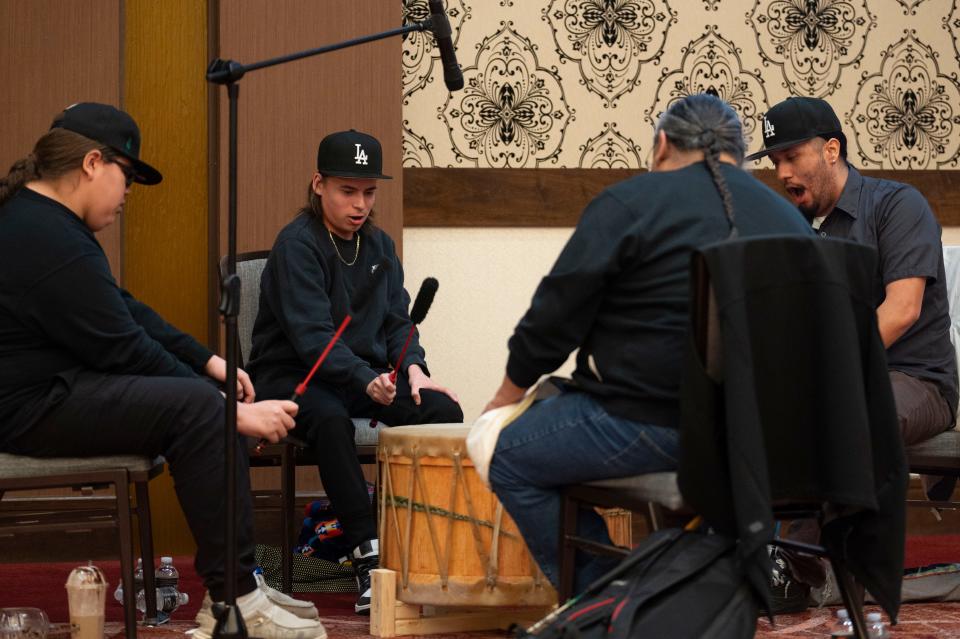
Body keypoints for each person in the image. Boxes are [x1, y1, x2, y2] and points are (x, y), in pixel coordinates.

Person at [0, 102, 326, 639]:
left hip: (50, 391)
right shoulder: (44, 236)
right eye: (126, 177)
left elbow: (123, 308)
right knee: (197, 410)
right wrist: (233, 413)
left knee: (200, 398)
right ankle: (235, 599)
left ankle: (239, 588)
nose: (127, 194)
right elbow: (123, 348)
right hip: (28, 406)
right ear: (91, 163)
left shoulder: (44, 221)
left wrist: (210, 361)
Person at [482, 93, 813, 595]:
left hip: (650, 423)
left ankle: (609, 600)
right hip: (768, 439)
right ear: (740, 154)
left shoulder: (630, 202)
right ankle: (683, 595)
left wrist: (506, 397)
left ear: (662, 146)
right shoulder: (789, 219)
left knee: (507, 454)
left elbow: (555, 318)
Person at [746, 95, 959, 612]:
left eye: (793, 156)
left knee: (841, 409)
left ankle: (808, 567)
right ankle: (767, 559)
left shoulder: (897, 205)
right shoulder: (798, 229)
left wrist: (825, 372)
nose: (782, 172)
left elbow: (902, 309)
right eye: (775, 161)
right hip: (841, 381)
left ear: (832, 150)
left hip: (916, 379)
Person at [248, 129, 463, 614]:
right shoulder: (296, 246)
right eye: (348, 190)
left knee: (442, 409)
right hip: (294, 376)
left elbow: (397, 321)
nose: (360, 204)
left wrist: (413, 368)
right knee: (328, 420)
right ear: (318, 184)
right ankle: (368, 553)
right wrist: (364, 377)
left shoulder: (380, 246)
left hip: (359, 375)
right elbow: (312, 338)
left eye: (369, 192)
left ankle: (422, 545)